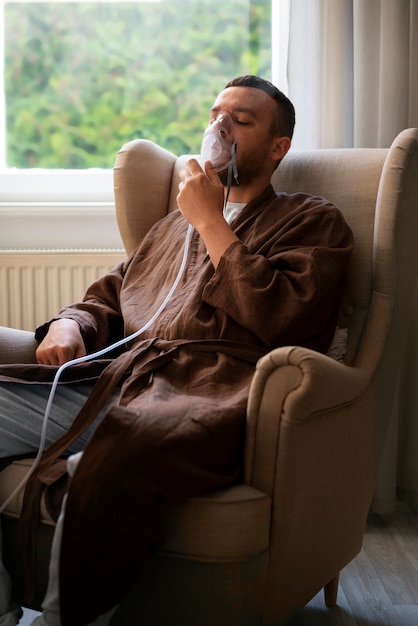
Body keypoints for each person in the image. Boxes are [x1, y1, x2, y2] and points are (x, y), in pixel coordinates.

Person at [0, 75, 354, 626]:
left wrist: (212, 221)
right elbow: (112, 295)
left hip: (205, 393)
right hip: (114, 382)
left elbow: (282, 316)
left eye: (241, 119)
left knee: (116, 460)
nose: (220, 127)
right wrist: (69, 325)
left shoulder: (314, 221)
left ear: (278, 146)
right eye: (216, 113)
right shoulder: (171, 226)